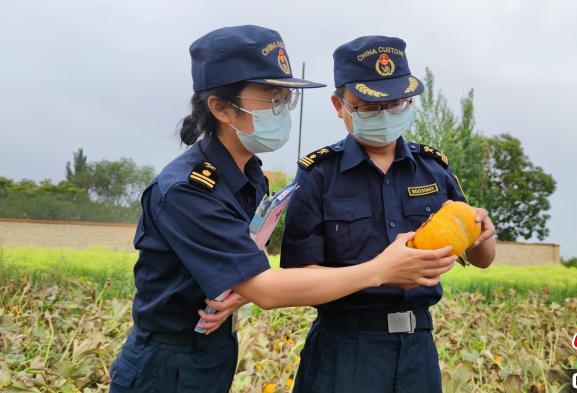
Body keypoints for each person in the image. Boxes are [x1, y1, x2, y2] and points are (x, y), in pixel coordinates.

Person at [108, 26, 458, 393]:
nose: (282, 109)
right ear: (221, 108)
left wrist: (238, 287)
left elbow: (237, 261)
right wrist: (381, 270)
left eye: (285, 97)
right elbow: (268, 289)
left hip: (213, 349)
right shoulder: (188, 189)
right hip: (165, 363)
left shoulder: (251, 177)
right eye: (270, 98)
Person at [281, 35, 497, 393]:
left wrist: (483, 234)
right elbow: (298, 278)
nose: (385, 115)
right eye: (369, 106)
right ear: (339, 105)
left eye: (397, 103)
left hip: (417, 349)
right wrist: (379, 274)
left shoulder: (433, 168)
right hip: (345, 349)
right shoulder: (318, 174)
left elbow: (481, 258)